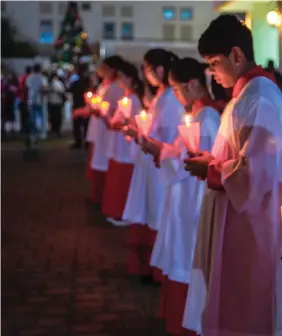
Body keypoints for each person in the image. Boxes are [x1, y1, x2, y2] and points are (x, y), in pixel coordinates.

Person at [182, 14, 282, 336]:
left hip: (254, 225)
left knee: (250, 306)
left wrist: (211, 168)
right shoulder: (245, 96)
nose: (211, 72)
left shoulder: (260, 97)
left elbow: (256, 172)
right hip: (239, 219)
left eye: (214, 63)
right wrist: (215, 161)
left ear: (236, 55)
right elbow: (241, 158)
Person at [140, 57, 221, 336]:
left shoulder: (207, 118)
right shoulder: (200, 115)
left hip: (193, 198)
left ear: (193, 85)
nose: (175, 95)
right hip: (184, 196)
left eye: (177, 89)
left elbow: (190, 161)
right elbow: (181, 154)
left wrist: (159, 152)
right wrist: (163, 150)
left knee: (187, 260)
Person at [122, 49, 184, 282]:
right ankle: (146, 267)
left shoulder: (170, 100)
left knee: (156, 214)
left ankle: (154, 269)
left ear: (158, 70)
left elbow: (167, 138)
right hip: (151, 165)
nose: (146, 74)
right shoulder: (162, 96)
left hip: (160, 167)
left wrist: (142, 138)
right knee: (149, 212)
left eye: (147, 69)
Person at [101, 61, 143, 225]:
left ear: (131, 79)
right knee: (117, 177)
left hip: (126, 147)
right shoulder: (126, 98)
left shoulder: (133, 99)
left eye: (122, 77)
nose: (119, 81)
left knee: (123, 179)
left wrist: (120, 124)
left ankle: (123, 213)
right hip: (118, 145)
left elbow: (136, 123)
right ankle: (116, 210)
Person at [85, 57, 124, 204]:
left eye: (104, 67)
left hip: (107, 128)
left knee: (103, 159)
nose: (100, 70)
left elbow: (112, 109)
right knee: (97, 156)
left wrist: (100, 111)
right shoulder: (104, 85)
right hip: (100, 126)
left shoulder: (115, 88)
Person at [69, 64, 91, 149]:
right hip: (86, 106)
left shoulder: (75, 82)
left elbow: (69, 90)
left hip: (77, 105)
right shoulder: (88, 83)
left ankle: (78, 142)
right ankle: (87, 142)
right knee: (86, 125)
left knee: (77, 125)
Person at [26, 64, 47, 143]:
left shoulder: (29, 78)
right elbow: (44, 88)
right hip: (40, 100)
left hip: (31, 100)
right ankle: (43, 134)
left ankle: (33, 134)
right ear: (40, 69)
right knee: (43, 118)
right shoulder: (42, 78)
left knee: (33, 118)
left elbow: (28, 87)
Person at [47, 73, 66, 137]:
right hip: (57, 102)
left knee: (52, 117)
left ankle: (53, 129)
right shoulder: (58, 83)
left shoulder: (49, 83)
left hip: (51, 102)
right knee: (58, 117)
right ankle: (57, 130)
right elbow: (62, 91)